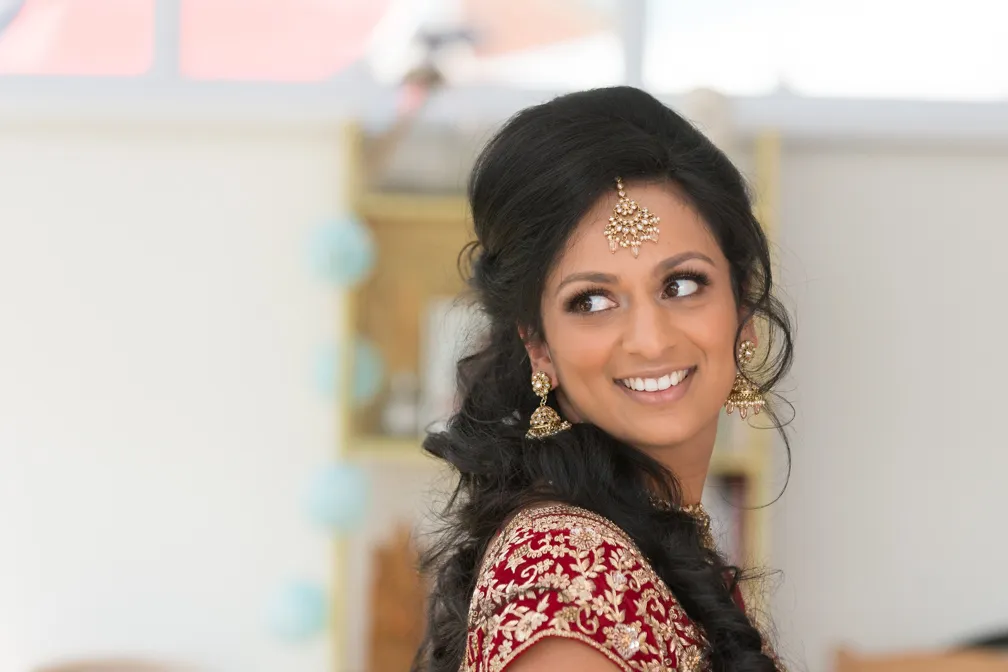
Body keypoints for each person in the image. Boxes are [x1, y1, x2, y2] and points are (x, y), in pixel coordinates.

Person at [414, 86, 794, 672]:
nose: (650, 339)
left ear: (742, 308)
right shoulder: (562, 577)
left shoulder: (653, 539)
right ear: (538, 344)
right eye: (591, 301)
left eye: (683, 285)